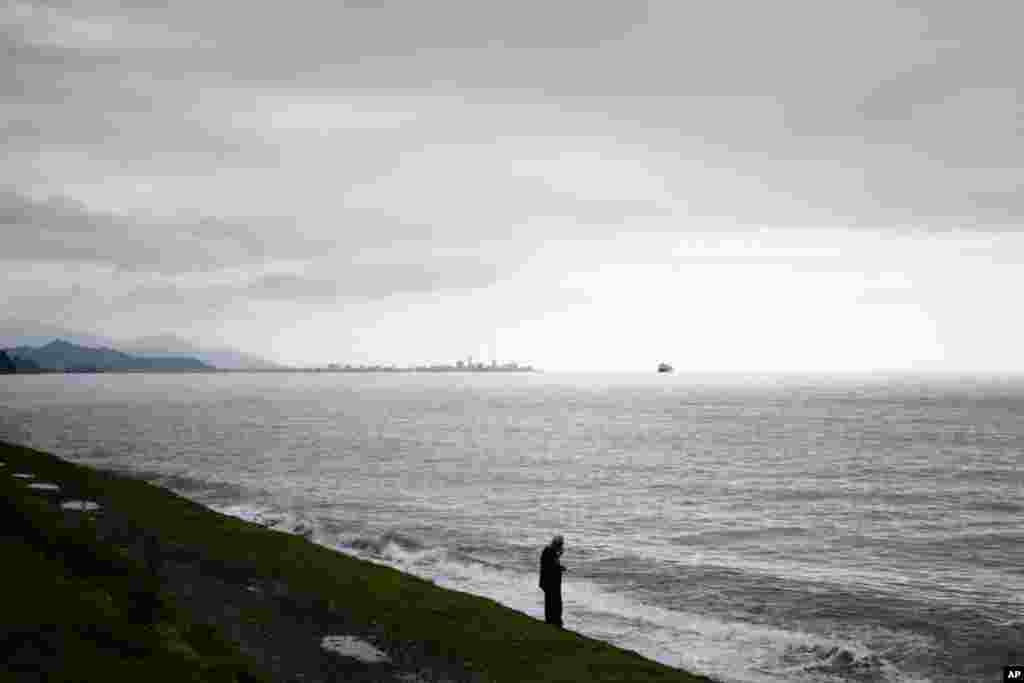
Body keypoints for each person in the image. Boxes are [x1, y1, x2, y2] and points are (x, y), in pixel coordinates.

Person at [539, 535, 566, 627]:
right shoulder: (549, 551)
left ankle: (554, 620)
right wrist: (559, 567)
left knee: (553, 602)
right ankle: (553, 621)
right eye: (560, 545)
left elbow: (552, 564)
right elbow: (549, 566)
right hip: (550, 582)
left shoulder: (551, 551)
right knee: (553, 602)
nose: (561, 547)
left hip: (551, 582)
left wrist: (559, 564)